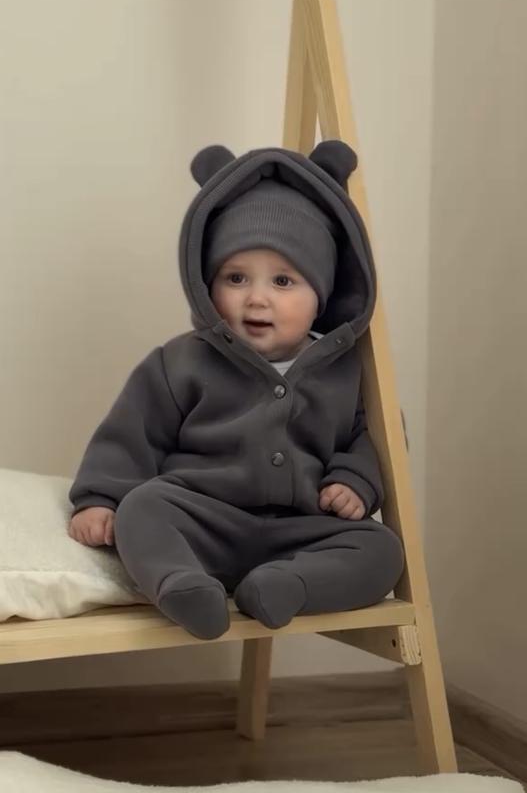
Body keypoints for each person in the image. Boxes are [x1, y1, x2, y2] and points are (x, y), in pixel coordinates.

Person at [68, 140, 404, 640]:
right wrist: (100, 498)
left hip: (301, 528)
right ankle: (182, 585)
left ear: (321, 295)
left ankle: (285, 586)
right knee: (143, 509)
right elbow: (131, 433)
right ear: (207, 285)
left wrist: (356, 481)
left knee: (382, 550)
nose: (257, 299)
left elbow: (374, 437)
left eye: (283, 281)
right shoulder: (180, 362)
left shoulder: (347, 371)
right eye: (236, 277)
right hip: (203, 519)